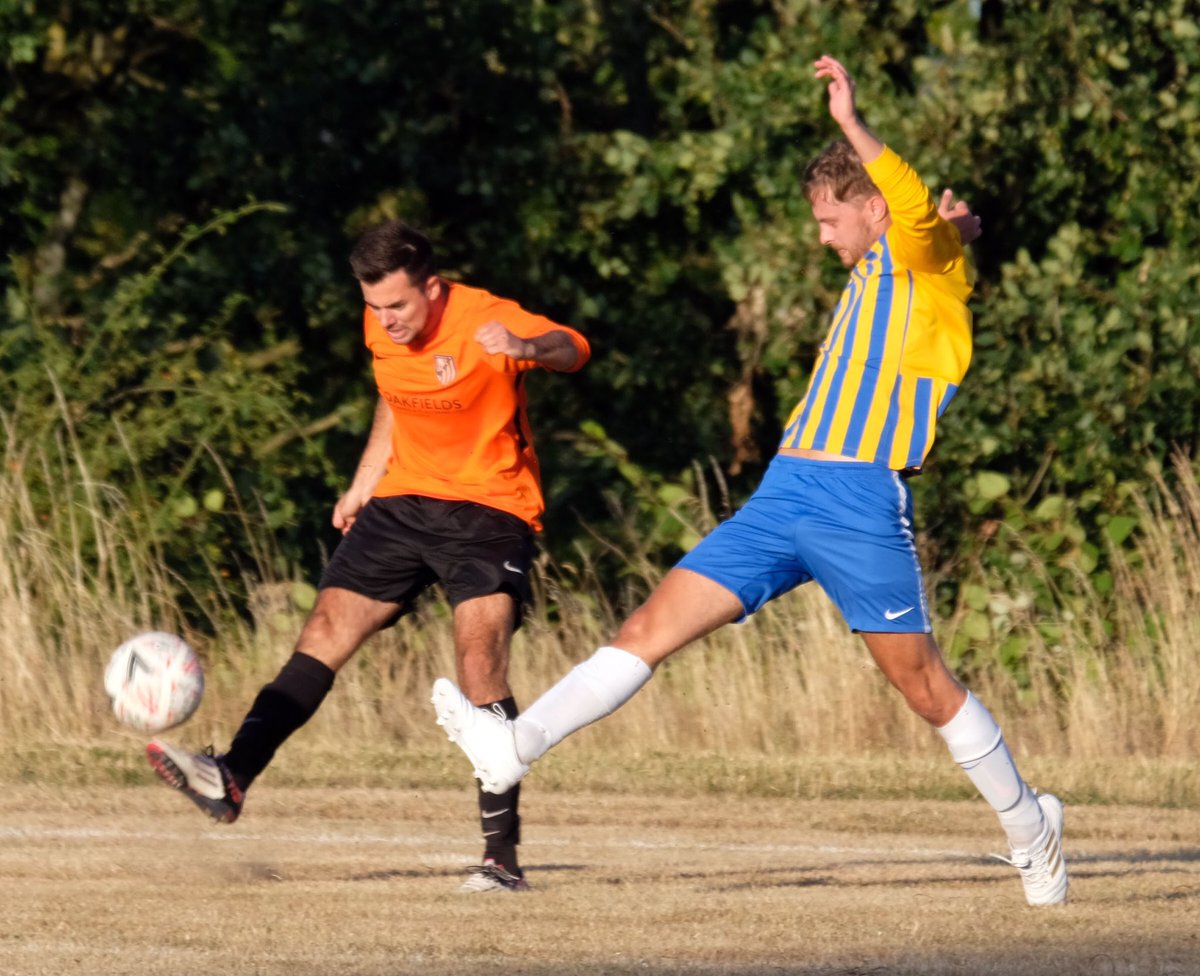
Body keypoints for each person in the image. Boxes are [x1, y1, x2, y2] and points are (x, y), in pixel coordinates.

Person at [430, 55, 1068, 907]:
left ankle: (1032, 829)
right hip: (785, 492)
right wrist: (957, 229)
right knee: (650, 624)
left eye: (829, 218)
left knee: (922, 683)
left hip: (858, 498)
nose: (821, 235)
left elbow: (915, 211)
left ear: (874, 208)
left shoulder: (917, 255)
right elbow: (929, 225)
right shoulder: (898, 262)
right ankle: (515, 745)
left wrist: (850, 120)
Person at [146, 220, 591, 893]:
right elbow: (395, 400)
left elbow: (573, 348)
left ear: (433, 288)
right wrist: (363, 482)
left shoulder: (483, 318)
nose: (386, 321)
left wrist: (526, 346)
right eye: (374, 307)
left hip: (492, 509)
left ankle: (500, 860)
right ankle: (232, 776)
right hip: (402, 501)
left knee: (479, 659)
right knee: (323, 632)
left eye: (399, 306)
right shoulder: (380, 324)